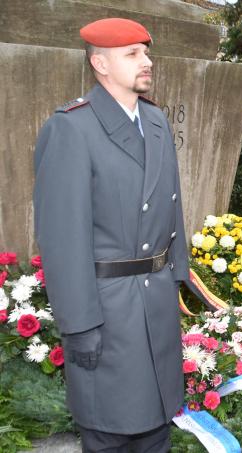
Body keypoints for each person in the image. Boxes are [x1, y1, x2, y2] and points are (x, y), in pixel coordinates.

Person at [32, 18, 189, 452]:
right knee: (111, 433)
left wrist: (179, 274)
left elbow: (172, 205)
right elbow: (62, 239)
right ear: (99, 63)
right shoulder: (71, 128)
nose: (147, 61)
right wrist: (80, 326)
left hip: (154, 298)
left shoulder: (154, 121)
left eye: (146, 52)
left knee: (157, 428)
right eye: (133, 54)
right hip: (107, 308)